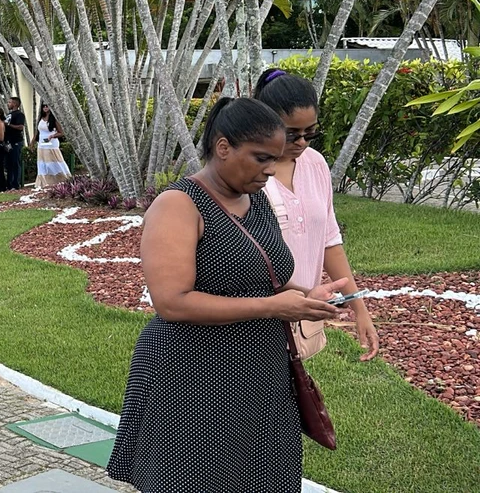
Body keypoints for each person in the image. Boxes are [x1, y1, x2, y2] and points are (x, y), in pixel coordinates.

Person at [108, 97, 349, 493]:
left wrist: (305, 295)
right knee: (196, 478)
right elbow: (172, 301)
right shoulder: (179, 205)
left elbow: (261, 277)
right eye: (260, 158)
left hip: (260, 371)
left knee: (262, 476)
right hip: (191, 375)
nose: (270, 170)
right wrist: (273, 307)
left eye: (275, 159)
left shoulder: (255, 200)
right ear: (223, 147)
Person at [256, 68, 380, 361]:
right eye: (291, 134)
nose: (301, 142)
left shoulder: (315, 164)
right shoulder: (248, 173)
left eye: (310, 132)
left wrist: (358, 308)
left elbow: (329, 242)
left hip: (304, 318)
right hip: (257, 318)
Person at [34, 103, 71, 189]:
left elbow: (61, 133)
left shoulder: (54, 119)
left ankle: (62, 178)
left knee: (52, 162)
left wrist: (52, 136)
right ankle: (43, 181)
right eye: (44, 106)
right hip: (41, 143)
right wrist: (33, 142)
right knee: (42, 163)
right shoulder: (41, 118)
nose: (45, 108)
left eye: (47, 106)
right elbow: (38, 132)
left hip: (51, 143)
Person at [3, 96, 26, 190]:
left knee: (15, 162)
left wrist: (9, 125)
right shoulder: (9, 114)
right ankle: (9, 183)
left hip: (16, 141)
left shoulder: (19, 114)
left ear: (15, 104)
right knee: (9, 163)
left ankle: (16, 184)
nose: (8, 104)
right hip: (8, 141)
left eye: (9, 102)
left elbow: (21, 127)